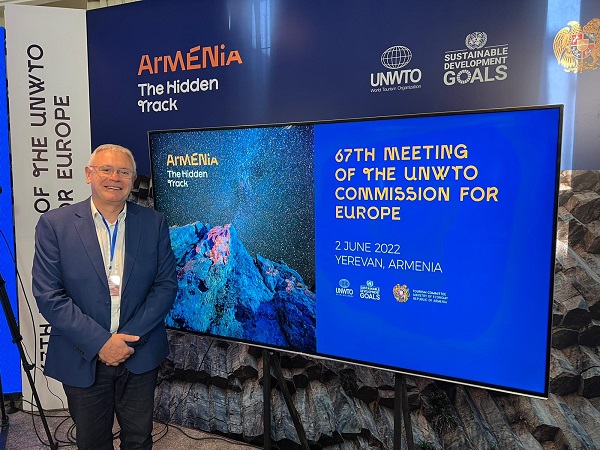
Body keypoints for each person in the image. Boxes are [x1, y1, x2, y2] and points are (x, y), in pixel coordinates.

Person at [32, 144, 177, 449]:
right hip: (82, 353)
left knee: (139, 439)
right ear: (89, 174)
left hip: (139, 351)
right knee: (92, 442)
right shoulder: (55, 225)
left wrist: (126, 340)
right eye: (106, 169)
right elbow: (49, 295)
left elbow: (165, 286)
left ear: (133, 179)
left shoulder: (154, 223)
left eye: (123, 172)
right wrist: (101, 343)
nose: (115, 178)